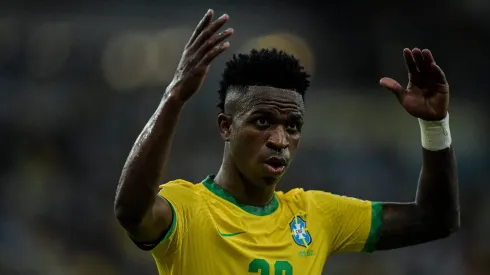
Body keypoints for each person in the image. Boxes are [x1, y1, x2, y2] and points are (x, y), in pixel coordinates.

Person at [114, 9, 460, 275]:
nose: (280, 140)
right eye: (262, 122)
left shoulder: (316, 216)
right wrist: (174, 97)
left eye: (293, 126)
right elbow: (131, 210)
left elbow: (435, 220)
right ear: (226, 126)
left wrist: (434, 125)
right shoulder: (187, 209)